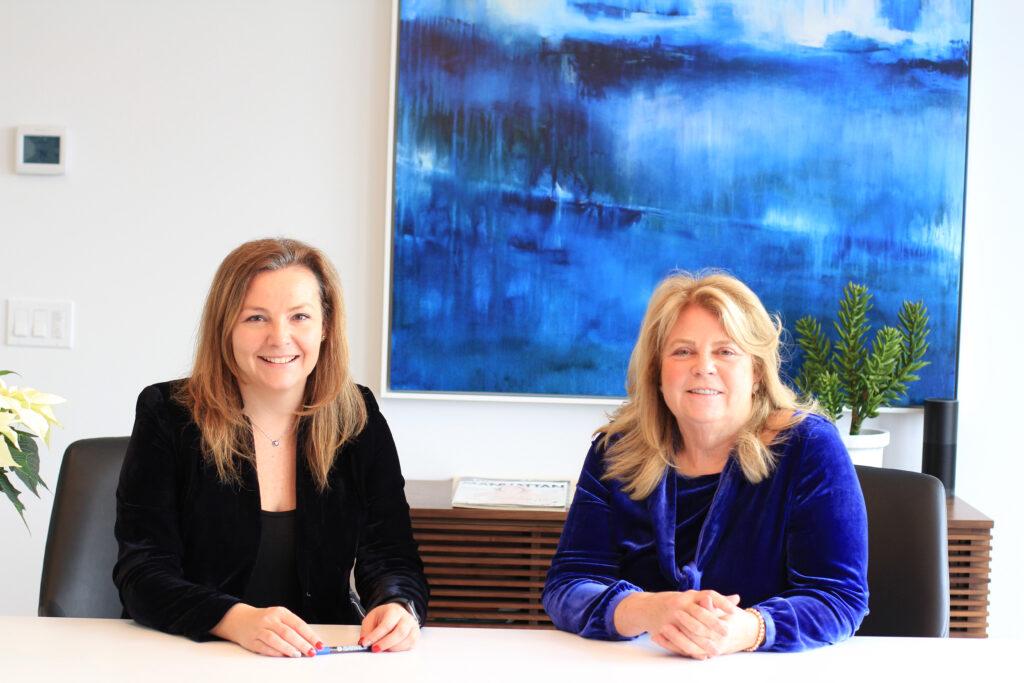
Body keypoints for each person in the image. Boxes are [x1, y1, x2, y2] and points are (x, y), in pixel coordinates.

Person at [114, 238, 428, 657]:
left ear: (325, 327)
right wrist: (235, 620)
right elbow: (142, 572)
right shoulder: (168, 414)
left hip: (321, 659)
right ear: (225, 327)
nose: (279, 338)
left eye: (300, 316)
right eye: (256, 318)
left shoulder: (358, 415)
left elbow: (393, 556)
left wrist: (397, 605)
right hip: (191, 654)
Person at [542, 272, 868, 657]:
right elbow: (567, 585)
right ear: (657, 372)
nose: (704, 366)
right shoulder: (615, 451)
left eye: (726, 351)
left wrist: (748, 629)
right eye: (683, 351)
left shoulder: (808, 447)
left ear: (757, 373)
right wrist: (648, 609)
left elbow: (838, 596)